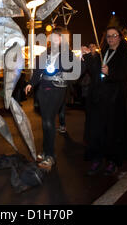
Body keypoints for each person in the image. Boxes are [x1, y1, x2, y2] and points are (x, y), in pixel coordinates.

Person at [24, 27, 80, 170]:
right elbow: (38, 71)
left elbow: (78, 71)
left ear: (63, 39)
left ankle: (51, 156)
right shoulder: (46, 53)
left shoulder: (68, 54)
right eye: (52, 36)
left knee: (49, 121)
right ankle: (45, 151)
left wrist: (66, 77)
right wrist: (30, 83)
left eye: (57, 36)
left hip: (57, 90)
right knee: (45, 122)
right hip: (43, 89)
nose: (53, 39)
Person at [84, 27, 127, 176]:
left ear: (120, 38)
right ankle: (97, 158)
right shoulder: (102, 54)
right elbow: (94, 73)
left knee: (113, 131)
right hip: (99, 98)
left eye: (114, 36)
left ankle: (112, 161)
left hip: (115, 100)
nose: (111, 39)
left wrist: (110, 72)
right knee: (97, 130)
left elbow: (125, 74)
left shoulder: (126, 55)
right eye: (108, 36)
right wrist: (89, 57)